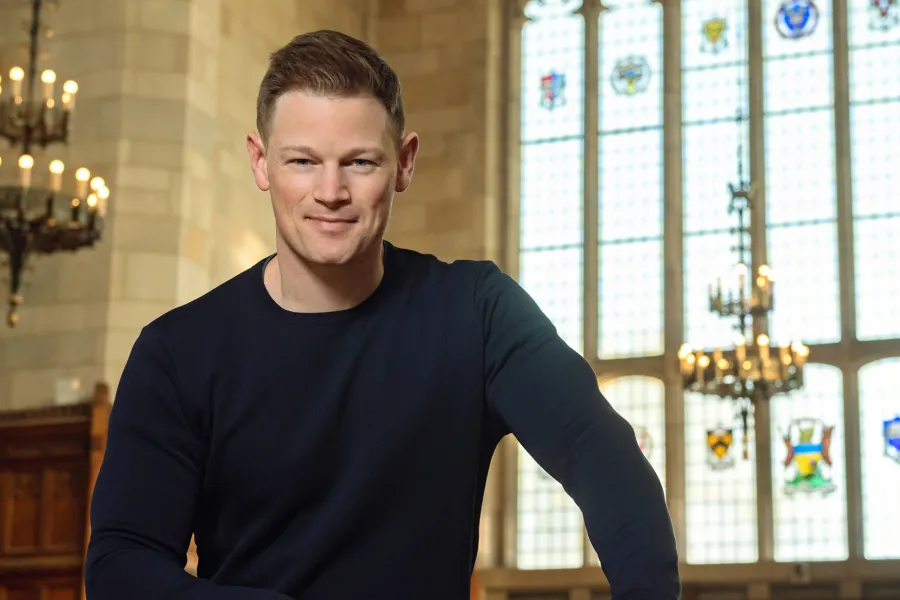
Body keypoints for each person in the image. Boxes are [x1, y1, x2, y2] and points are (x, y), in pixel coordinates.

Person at [84, 29, 680, 600]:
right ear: (260, 162)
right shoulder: (177, 351)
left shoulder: (478, 312)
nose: (331, 191)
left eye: (360, 163)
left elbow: (604, 461)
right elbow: (122, 564)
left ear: (405, 162)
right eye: (302, 162)